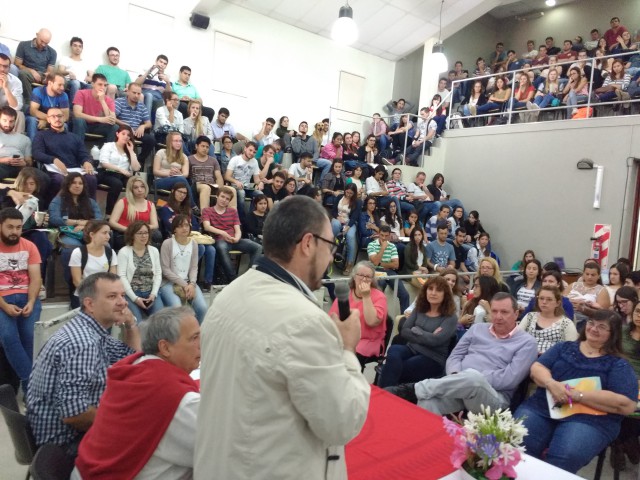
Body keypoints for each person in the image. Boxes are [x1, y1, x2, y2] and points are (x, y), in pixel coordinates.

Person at [195, 195, 370, 479]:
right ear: (308, 244)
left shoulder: (228, 295)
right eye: (330, 246)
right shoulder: (304, 321)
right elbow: (342, 421)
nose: (330, 258)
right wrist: (348, 350)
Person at [73, 306, 200, 480]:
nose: (202, 344)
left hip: (87, 470)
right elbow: (220, 451)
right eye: (194, 338)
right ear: (165, 348)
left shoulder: (135, 367)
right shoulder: (176, 398)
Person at [27, 273, 140, 454]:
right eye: (112, 296)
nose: (123, 303)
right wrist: (120, 423)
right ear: (89, 304)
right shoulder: (82, 343)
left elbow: (131, 359)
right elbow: (75, 414)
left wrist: (130, 323)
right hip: (66, 445)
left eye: (123, 295)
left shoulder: (90, 329)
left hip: (69, 435)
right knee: (150, 437)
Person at [516, 310, 637, 474]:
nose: (593, 329)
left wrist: (578, 395)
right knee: (517, 441)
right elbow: (538, 367)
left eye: (602, 327)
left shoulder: (618, 364)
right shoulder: (563, 348)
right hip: (543, 407)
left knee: (565, 455)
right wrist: (551, 383)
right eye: (591, 323)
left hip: (590, 419)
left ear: (613, 333)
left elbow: (627, 404)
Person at [386, 293, 538, 416]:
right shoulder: (477, 329)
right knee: (428, 402)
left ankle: (412, 389)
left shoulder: (527, 343)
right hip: (460, 385)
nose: (498, 316)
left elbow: (509, 380)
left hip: (493, 397)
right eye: (494, 311)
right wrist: (457, 376)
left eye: (504, 312)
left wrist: (470, 377)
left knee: (473, 378)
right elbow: (455, 356)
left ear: (516, 314)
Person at [379, 276, 457, 388]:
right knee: (394, 350)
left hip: (432, 357)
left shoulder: (450, 317)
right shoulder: (420, 308)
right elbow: (405, 331)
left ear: (446, 294)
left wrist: (416, 330)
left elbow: (435, 341)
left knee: (396, 367)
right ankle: (387, 393)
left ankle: (384, 393)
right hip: (412, 348)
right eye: (430, 289)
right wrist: (427, 334)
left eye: (438, 290)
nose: (433, 293)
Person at [0, 207, 42, 394]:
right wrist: (4, 306)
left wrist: (31, 301)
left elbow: (36, 279)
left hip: (27, 296)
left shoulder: (29, 246)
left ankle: (29, 391)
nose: (15, 232)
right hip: (2, 299)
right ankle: (33, 386)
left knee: (30, 339)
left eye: (18, 227)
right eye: (10, 227)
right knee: (8, 337)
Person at [157, 182, 216, 292]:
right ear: (173, 192)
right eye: (180, 192)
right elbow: (169, 225)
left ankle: (208, 283)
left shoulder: (187, 209)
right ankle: (185, 276)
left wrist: (187, 228)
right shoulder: (165, 208)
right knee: (201, 247)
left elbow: (195, 225)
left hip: (189, 237)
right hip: (173, 238)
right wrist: (186, 227)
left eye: (185, 193)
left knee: (211, 249)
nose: (182, 195)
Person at [32, 108, 97, 204]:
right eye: (53, 116)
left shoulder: (74, 137)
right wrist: (53, 159)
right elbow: (37, 153)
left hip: (74, 169)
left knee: (91, 178)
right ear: (48, 119)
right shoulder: (41, 135)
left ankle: (90, 208)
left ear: (64, 118)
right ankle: (53, 207)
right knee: (59, 179)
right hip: (53, 169)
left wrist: (87, 161)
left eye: (59, 116)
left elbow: (83, 154)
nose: (57, 119)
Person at [329, 261, 387, 366]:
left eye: (368, 277)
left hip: (367, 340)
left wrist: (366, 296)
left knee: (350, 356)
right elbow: (332, 317)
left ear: (372, 280)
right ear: (354, 277)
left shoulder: (379, 297)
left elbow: (371, 321)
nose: (364, 279)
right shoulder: (346, 293)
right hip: (344, 337)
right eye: (361, 275)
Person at [202, 187, 262, 282]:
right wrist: (222, 232)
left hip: (234, 239)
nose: (224, 200)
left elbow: (238, 229)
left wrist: (237, 238)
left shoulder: (233, 212)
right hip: (220, 240)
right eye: (222, 197)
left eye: (227, 199)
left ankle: (249, 278)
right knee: (221, 247)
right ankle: (233, 279)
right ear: (217, 196)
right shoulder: (207, 211)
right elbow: (207, 227)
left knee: (258, 247)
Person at [159, 215, 207, 324]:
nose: (184, 228)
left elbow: (194, 267)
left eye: (186, 225)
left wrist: (192, 284)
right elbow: (165, 270)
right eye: (180, 226)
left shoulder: (193, 243)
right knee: (178, 309)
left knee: (202, 308)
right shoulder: (167, 243)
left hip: (188, 282)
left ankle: (195, 331)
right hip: (168, 283)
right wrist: (184, 285)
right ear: (174, 229)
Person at [116, 221, 164, 321]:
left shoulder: (154, 251)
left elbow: (158, 273)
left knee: (161, 321)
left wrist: (153, 294)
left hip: (151, 292)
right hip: (131, 293)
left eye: (146, 233)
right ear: (132, 235)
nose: (144, 236)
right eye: (140, 233)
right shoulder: (124, 252)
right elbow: (122, 276)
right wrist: (135, 298)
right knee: (137, 323)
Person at [69, 220, 117, 309]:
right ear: (92, 234)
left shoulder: (111, 253)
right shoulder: (78, 252)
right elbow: (77, 281)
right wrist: (94, 297)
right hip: (83, 297)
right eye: (104, 233)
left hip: (104, 296)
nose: (108, 236)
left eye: (109, 233)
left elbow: (113, 278)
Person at [519, 285, 578, 354]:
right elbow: (517, 338)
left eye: (549, 299)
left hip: (552, 358)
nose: (544, 302)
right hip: (526, 355)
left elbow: (571, 349)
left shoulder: (566, 323)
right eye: (541, 298)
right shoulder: (529, 316)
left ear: (557, 303)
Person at [48, 172, 102, 248]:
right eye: (74, 183)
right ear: (67, 185)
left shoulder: (91, 202)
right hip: (66, 233)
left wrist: (85, 225)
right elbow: (54, 219)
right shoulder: (58, 201)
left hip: (88, 233)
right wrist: (77, 222)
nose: (77, 186)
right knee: (76, 247)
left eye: (80, 183)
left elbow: (99, 220)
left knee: (105, 245)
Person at [96, 125, 141, 215]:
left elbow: (136, 168)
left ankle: (138, 213)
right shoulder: (109, 146)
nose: (126, 136)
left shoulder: (129, 151)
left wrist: (131, 151)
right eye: (123, 134)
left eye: (128, 135)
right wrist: (120, 169)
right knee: (117, 184)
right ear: (117, 134)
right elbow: (104, 163)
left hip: (122, 176)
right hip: (107, 173)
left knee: (137, 185)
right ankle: (109, 214)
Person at [108, 176, 161, 250]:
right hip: (125, 233)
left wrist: (141, 230)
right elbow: (112, 222)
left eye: (142, 187)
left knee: (157, 235)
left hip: (142, 233)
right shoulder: (122, 202)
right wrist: (129, 230)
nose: (140, 190)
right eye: (136, 187)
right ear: (131, 190)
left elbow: (155, 225)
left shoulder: (150, 204)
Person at [367, 225, 410, 312]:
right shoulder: (371, 245)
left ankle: (404, 319)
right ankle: (376, 315)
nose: (384, 238)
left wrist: (380, 263)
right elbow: (375, 263)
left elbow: (396, 265)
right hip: (376, 271)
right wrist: (383, 248)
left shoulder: (392, 246)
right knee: (380, 289)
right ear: (378, 234)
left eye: (386, 236)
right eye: (382, 235)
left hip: (390, 272)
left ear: (389, 235)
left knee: (405, 295)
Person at [114, 82, 156, 168]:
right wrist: (126, 125)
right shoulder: (119, 102)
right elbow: (113, 118)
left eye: (138, 93)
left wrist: (143, 126)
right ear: (128, 92)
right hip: (122, 130)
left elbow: (149, 123)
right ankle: (124, 161)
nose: (136, 96)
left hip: (136, 131)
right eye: (134, 93)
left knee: (151, 140)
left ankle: (139, 160)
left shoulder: (142, 106)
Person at [14, 29, 57, 105]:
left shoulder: (52, 52)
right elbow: (17, 64)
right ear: (37, 35)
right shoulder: (23, 45)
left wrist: (47, 76)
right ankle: (29, 102)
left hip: (43, 75)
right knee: (23, 73)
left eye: (46, 43)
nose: (43, 44)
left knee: (61, 80)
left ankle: (53, 105)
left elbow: (49, 71)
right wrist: (31, 71)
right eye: (42, 41)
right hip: (27, 72)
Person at [152, 131, 196, 206]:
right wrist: (169, 173)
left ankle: (186, 208)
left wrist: (179, 174)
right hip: (160, 181)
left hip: (177, 180)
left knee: (183, 181)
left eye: (180, 141)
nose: (178, 143)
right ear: (169, 142)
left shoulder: (184, 156)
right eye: (176, 141)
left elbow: (185, 174)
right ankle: (193, 206)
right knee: (181, 180)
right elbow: (155, 171)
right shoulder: (161, 152)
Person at [72, 73, 117, 142]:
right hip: (84, 124)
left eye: (105, 85)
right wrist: (99, 119)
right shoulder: (81, 93)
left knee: (114, 127)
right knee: (79, 121)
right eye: (100, 84)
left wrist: (102, 101)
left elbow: (112, 120)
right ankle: (78, 147)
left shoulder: (109, 100)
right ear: (92, 84)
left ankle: (108, 148)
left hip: (98, 126)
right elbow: (77, 114)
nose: (103, 87)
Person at [26, 72, 69, 141]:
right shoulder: (38, 91)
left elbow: (65, 117)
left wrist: (47, 121)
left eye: (63, 85)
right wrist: (49, 119)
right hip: (36, 118)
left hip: (52, 120)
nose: (62, 88)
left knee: (65, 125)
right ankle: (33, 145)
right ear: (50, 83)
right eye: (59, 85)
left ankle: (60, 146)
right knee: (32, 121)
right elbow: (33, 111)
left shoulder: (63, 95)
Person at [224, 141, 261, 216]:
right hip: (235, 186)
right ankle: (240, 219)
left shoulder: (255, 162)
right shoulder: (235, 159)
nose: (252, 153)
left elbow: (256, 179)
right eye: (250, 150)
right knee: (241, 193)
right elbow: (227, 176)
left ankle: (251, 217)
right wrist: (236, 181)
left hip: (248, 187)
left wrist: (260, 183)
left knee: (260, 194)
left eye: (254, 152)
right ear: (245, 149)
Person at [188, 135, 224, 209]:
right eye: (203, 146)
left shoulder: (213, 160)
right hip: (197, 185)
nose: (205, 149)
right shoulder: (189, 159)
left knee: (231, 190)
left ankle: (232, 215)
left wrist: (221, 190)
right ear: (196, 146)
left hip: (213, 185)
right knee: (206, 188)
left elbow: (218, 177)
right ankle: (204, 215)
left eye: (207, 147)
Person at [57, 37, 92, 104]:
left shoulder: (86, 62)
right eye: (75, 45)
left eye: (80, 46)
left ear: (82, 48)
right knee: (76, 83)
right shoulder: (65, 59)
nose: (77, 48)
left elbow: (92, 76)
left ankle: (87, 109)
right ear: (71, 47)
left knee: (91, 86)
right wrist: (68, 72)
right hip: (69, 82)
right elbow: (59, 72)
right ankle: (73, 107)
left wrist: (89, 78)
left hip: (83, 83)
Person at [0, 53, 25, 130]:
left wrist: (6, 88)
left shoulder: (16, 81)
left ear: (9, 68)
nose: (2, 69)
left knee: (20, 115)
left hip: (6, 112)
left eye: (5, 66)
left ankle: (17, 137)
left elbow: (17, 107)